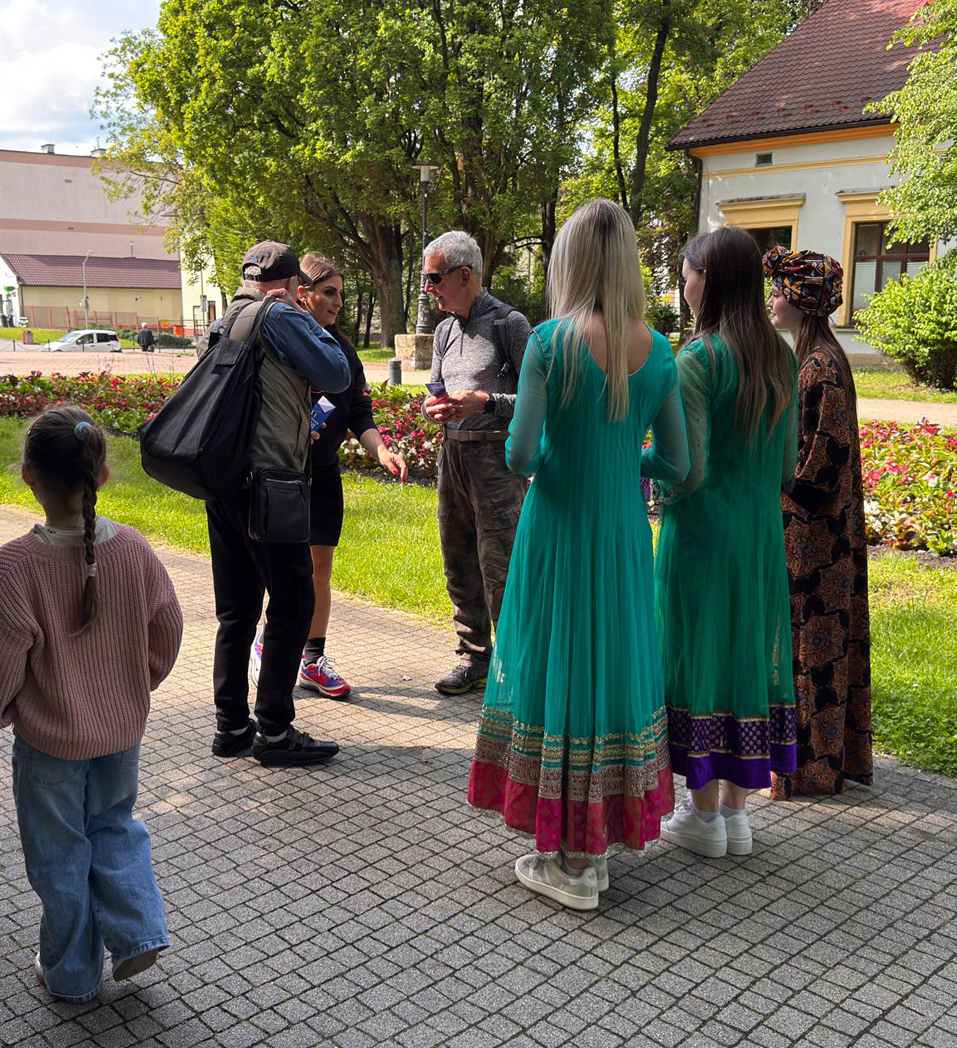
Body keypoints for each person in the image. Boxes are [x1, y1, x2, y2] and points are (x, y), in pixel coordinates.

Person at [467, 199, 688, 911]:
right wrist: (628, 460)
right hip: (623, 533)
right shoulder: (659, 351)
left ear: (571, 261)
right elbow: (679, 463)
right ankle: (595, 848)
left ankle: (567, 859)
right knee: (610, 667)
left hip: (557, 530)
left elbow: (523, 451)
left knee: (556, 663)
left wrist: (543, 456)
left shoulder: (550, 342)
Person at [0, 406, 185, 1002]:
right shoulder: (135, 549)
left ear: (28, 476)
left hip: (49, 745)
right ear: (103, 475)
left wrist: (0, 711)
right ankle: (138, 932)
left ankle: (71, 974)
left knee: (59, 852)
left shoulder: (16, 565)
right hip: (122, 734)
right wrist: (136, 685)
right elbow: (168, 626)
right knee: (115, 825)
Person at [654, 225, 798, 860]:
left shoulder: (699, 360)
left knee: (697, 653)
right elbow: (789, 464)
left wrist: (638, 464)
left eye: (686, 275)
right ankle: (738, 818)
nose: (682, 287)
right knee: (746, 652)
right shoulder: (782, 357)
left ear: (707, 280)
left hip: (702, 534)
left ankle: (703, 814)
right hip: (761, 532)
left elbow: (688, 468)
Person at [205, 241, 352, 765]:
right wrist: (299, 318)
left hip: (221, 482)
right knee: (294, 604)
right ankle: (274, 730)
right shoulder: (279, 316)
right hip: (272, 485)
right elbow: (338, 373)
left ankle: (231, 727)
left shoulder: (226, 319)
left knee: (237, 610)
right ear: (292, 287)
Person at [249, 254, 408, 698]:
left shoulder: (344, 351)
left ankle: (312, 658)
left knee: (320, 568)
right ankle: (269, 639)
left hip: (324, 477)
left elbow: (359, 412)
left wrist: (382, 450)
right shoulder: (283, 341)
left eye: (341, 293)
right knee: (286, 571)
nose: (338, 302)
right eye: (329, 292)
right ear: (303, 292)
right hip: (283, 476)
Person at [766, 249, 874, 798]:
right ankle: (824, 761)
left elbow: (820, 467)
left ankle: (809, 768)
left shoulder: (820, 367)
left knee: (812, 649)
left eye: (781, 291)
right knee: (822, 647)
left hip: (815, 539)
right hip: (824, 534)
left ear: (802, 302)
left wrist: (768, 483)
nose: (772, 299)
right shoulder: (819, 358)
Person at [421, 231, 533, 696]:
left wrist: (485, 403)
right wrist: (435, 407)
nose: (429, 288)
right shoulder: (445, 330)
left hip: (497, 461)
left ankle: (514, 668)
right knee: (458, 559)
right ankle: (473, 659)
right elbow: (435, 389)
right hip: (453, 457)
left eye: (434, 278)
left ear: (464, 274)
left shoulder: (510, 324)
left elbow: (535, 398)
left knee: (501, 566)